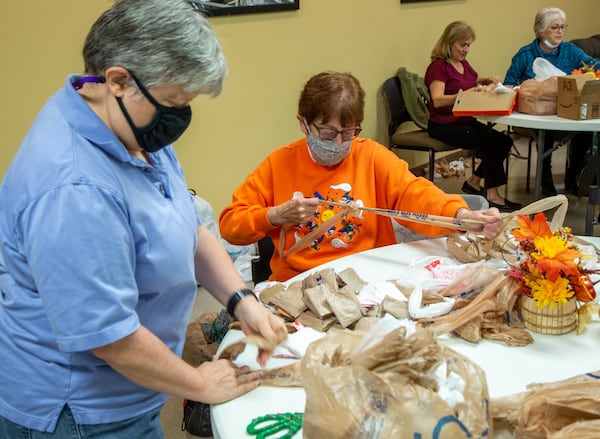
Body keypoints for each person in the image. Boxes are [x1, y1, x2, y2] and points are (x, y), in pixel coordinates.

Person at [0, 0, 285, 437]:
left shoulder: (128, 127)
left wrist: (241, 300)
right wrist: (200, 383)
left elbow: (186, 227)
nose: (180, 117)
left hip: (134, 384)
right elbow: (109, 337)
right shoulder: (75, 189)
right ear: (116, 80)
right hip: (81, 411)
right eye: (174, 101)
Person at [218, 71, 504, 282]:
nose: (339, 142)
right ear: (303, 124)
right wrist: (273, 217)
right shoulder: (279, 164)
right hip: (300, 282)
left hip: (369, 277)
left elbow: (415, 194)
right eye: (328, 133)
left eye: (349, 132)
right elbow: (231, 225)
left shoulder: (371, 156)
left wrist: (459, 216)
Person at [424, 20, 521, 212]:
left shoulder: (462, 64)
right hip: (443, 124)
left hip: (464, 120)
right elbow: (438, 100)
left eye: (469, 45)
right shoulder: (439, 67)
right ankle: (492, 194)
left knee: (503, 141)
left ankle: (474, 181)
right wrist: (463, 95)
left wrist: (486, 80)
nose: (466, 49)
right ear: (449, 43)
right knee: (493, 143)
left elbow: (471, 80)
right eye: (462, 45)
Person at [504, 7, 599, 196]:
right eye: (555, 27)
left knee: (584, 129)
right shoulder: (525, 55)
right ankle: (545, 176)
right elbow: (508, 84)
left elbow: (594, 66)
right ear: (540, 30)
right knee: (545, 131)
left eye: (562, 27)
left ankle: (574, 175)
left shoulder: (570, 51)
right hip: (537, 116)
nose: (560, 32)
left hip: (566, 113)